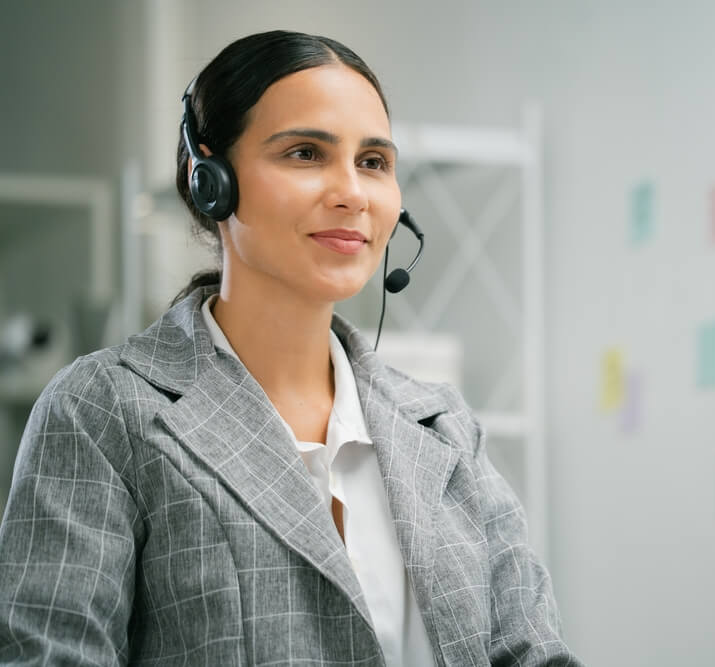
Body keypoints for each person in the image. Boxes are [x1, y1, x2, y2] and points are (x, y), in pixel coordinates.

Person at [0, 30, 580, 666]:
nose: (352, 193)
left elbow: (532, 653)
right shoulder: (102, 411)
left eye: (374, 162)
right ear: (211, 182)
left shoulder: (443, 428)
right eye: (306, 153)